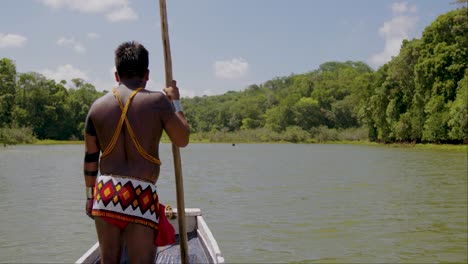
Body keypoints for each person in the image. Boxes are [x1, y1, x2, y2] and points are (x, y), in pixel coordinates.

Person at [83, 41, 190, 263]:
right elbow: (182, 139)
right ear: (147, 74)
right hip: (139, 194)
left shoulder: (97, 106)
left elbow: (91, 160)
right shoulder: (158, 101)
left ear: (116, 75)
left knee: (109, 260)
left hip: (105, 192)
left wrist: (89, 197)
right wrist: (176, 102)